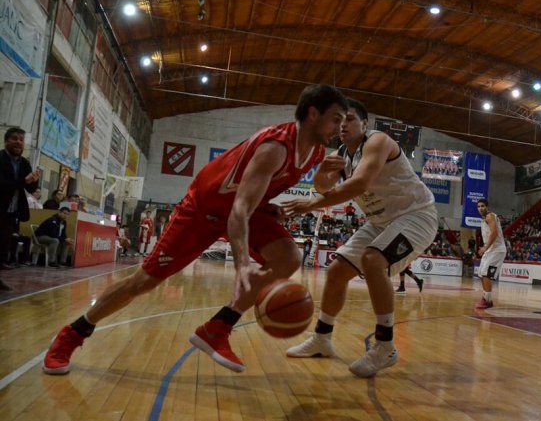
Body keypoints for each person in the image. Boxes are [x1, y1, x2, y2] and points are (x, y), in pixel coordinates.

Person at [42, 84, 348, 375]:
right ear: (312, 114)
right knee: (143, 282)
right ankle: (73, 333)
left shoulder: (318, 153)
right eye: (336, 119)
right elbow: (239, 208)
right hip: (203, 211)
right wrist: (242, 264)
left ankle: (218, 328)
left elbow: (288, 192)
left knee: (289, 258)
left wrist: (286, 198)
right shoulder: (275, 147)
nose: (339, 127)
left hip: (241, 209)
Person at [283, 98, 437, 378]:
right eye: (339, 119)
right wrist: (322, 171)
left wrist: (312, 204)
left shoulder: (378, 141)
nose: (343, 124)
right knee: (337, 271)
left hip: (417, 215)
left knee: (372, 259)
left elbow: (361, 183)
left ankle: (386, 346)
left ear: (365, 123)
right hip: (381, 221)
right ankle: (322, 338)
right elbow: (322, 186)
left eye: (351, 118)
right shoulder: (342, 154)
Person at [0, 128, 40, 289]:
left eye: (21, 140)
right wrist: (24, 181)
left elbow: (30, 189)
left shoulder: (24, 163)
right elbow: (3, 186)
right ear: (6, 141)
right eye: (14, 139)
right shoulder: (0, 158)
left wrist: (34, 180)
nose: (18, 142)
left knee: (3, 245)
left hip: (12, 211)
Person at [474, 199, 507, 309]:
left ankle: (486, 300)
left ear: (487, 207)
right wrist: (485, 248)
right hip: (490, 250)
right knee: (481, 273)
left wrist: (485, 247)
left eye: (482, 206)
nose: (480, 208)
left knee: (486, 274)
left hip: (497, 249)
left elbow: (494, 232)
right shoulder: (484, 220)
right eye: (478, 206)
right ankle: (487, 299)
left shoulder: (490, 216)